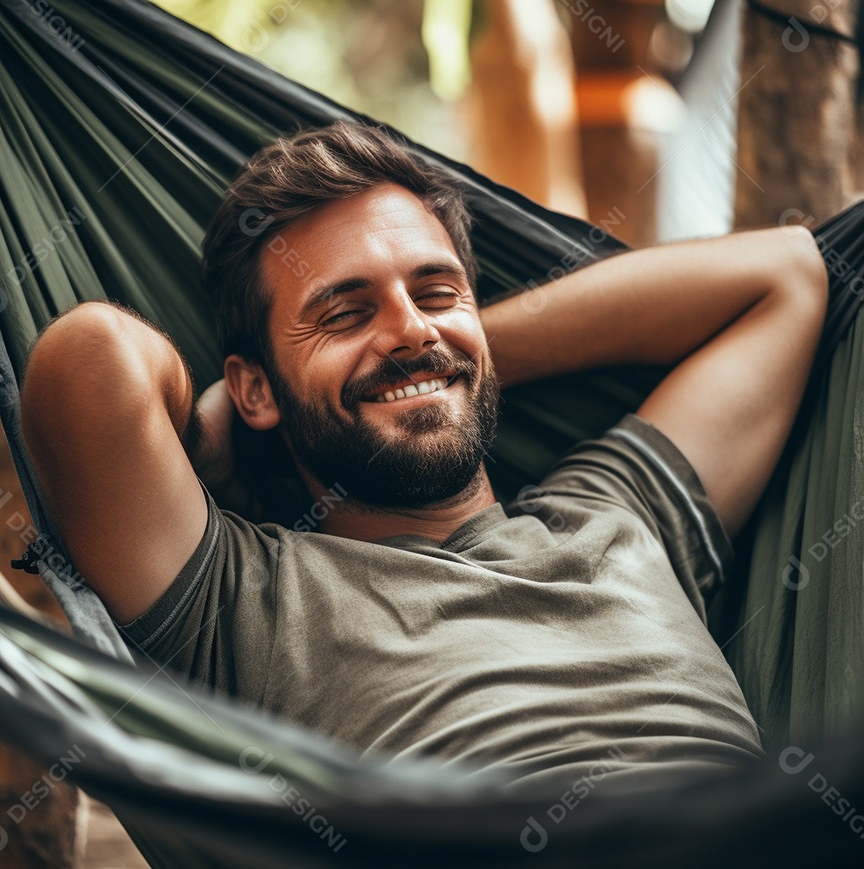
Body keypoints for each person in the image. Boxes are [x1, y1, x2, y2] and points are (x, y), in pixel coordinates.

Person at [19, 121, 828, 791]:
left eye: (438, 292)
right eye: (343, 312)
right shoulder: (241, 598)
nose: (410, 323)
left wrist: (440, 357)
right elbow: (89, 358)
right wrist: (208, 441)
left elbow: (787, 273)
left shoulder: (616, 513)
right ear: (253, 389)